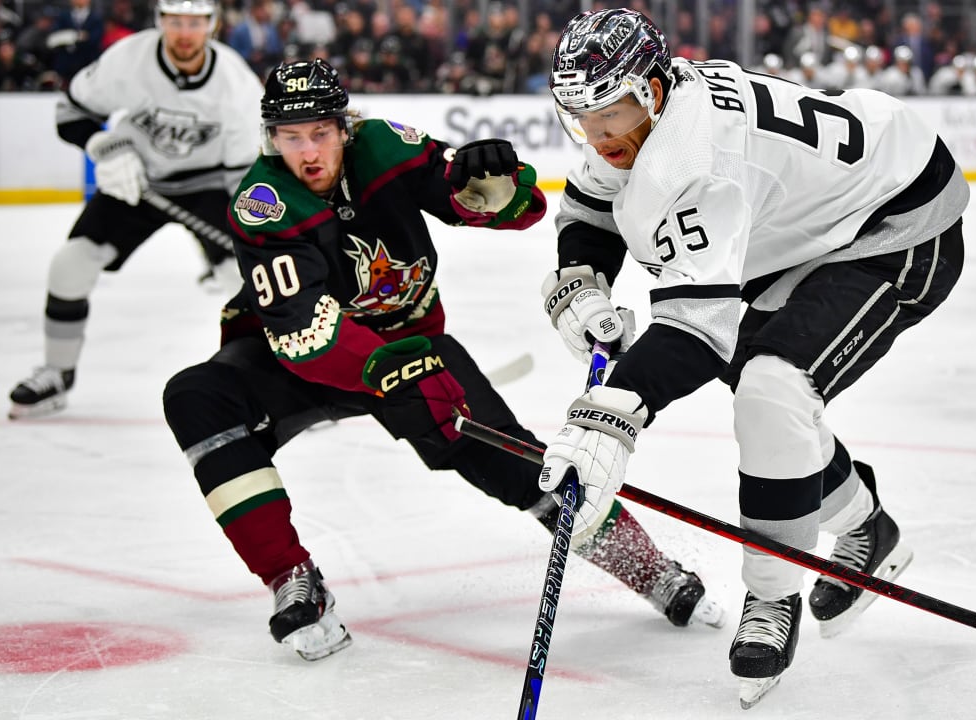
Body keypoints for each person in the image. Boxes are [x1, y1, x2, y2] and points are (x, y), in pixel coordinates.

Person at [161, 58, 724, 662]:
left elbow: (503, 206)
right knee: (196, 396)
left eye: (321, 131)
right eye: (291, 137)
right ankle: (289, 578)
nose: (309, 152)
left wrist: (497, 188)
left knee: (522, 466)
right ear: (270, 139)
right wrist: (389, 371)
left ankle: (647, 568)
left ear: (345, 127)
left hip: (415, 344)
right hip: (296, 361)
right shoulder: (262, 203)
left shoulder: (381, 146)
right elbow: (306, 333)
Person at [536, 8, 968, 708]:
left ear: (650, 90)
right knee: (771, 403)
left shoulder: (702, 160)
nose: (596, 134)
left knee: (771, 388)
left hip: (892, 219)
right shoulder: (639, 114)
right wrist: (581, 280)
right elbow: (591, 209)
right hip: (799, 230)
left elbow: (697, 329)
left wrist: (609, 417)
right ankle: (865, 526)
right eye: (581, 117)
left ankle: (772, 595)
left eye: (609, 113)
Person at [8, 0, 262, 420]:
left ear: (212, 26)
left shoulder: (236, 84)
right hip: (137, 181)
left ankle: (273, 380)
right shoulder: (128, 59)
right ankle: (57, 372)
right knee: (70, 265)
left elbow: (243, 176)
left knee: (246, 280)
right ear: (160, 21)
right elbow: (70, 112)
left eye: (195, 23)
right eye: (175, 21)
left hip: (210, 185)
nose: (185, 33)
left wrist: (245, 235)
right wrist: (105, 146)